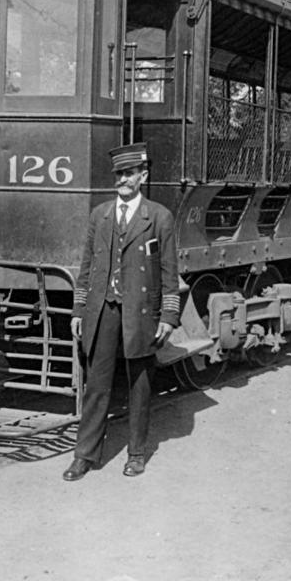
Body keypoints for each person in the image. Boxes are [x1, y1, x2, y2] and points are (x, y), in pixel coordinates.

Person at [64, 143, 181, 481]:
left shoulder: (159, 217)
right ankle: (84, 456)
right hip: (101, 311)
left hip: (140, 312)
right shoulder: (99, 215)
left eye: (130, 173)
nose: (123, 180)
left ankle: (137, 454)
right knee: (96, 385)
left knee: (139, 387)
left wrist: (168, 317)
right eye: (119, 174)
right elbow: (86, 267)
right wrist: (78, 310)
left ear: (143, 176)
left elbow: (169, 272)